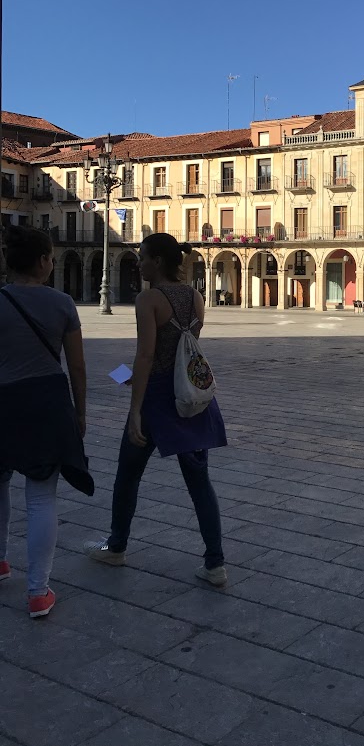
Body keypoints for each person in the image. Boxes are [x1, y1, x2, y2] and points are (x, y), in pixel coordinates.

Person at [84, 233, 228, 585]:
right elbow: (181, 353)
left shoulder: (148, 298)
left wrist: (135, 410)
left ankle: (116, 547)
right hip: (190, 399)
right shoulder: (196, 297)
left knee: (128, 476)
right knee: (200, 483)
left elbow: (148, 355)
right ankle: (215, 564)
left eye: (143, 257)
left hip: (156, 402)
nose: (139, 263)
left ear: (158, 261)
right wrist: (125, 375)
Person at [0, 225, 92, 619]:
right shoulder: (62, 304)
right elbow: (77, 365)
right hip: (47, 403)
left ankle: (0, 562)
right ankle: (38, 592)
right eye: (52, 257)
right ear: (42, 261)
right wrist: (81, 412)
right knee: (40, 498)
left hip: (3, 400)